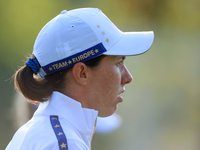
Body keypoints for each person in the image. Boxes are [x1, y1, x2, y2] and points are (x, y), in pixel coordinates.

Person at [6, 8, 154, 150]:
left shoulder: (41, 132)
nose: (128, 77)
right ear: (82, 73)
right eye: (118, 63)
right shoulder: (64, 143)